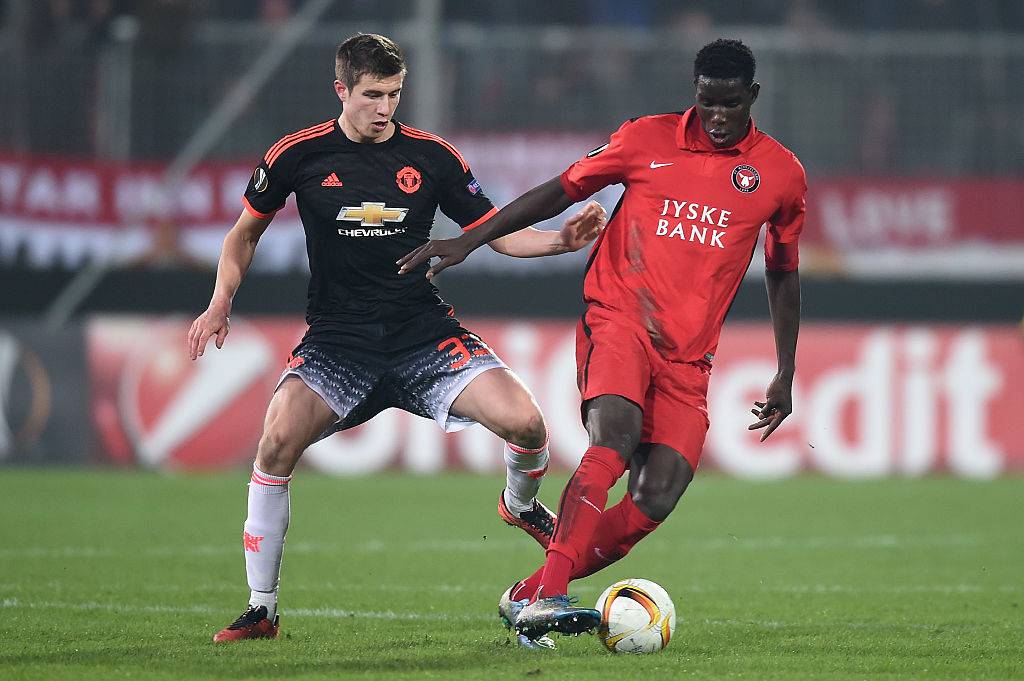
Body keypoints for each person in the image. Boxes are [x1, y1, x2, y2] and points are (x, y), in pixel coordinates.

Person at [186, 33, 606, 643]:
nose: (386, 108)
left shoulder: (432, 157)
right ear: (342, 91)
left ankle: (517, 505)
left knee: (527, 424)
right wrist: (220, 301)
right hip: (339, 341)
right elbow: (242, 235)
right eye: (373, 95)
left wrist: (561, 242)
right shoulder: (296, 155)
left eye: (395, 95)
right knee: (275, 443)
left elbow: (495, 233)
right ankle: (261, 610)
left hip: (422, 334)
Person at [398, 38, 804, 645]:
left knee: (657, 495)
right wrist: (469, 240)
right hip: (618, 318)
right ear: (694, 91)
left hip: (689, 355)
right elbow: (558, 190)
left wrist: (784, 372)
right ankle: (555, 597)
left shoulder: (781, 174)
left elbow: (782, 272)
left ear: (754, 97)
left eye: (732, 105)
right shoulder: (645, 138)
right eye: (707, 102)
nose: (718, 117)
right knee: (612, 441)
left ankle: (531, 592)